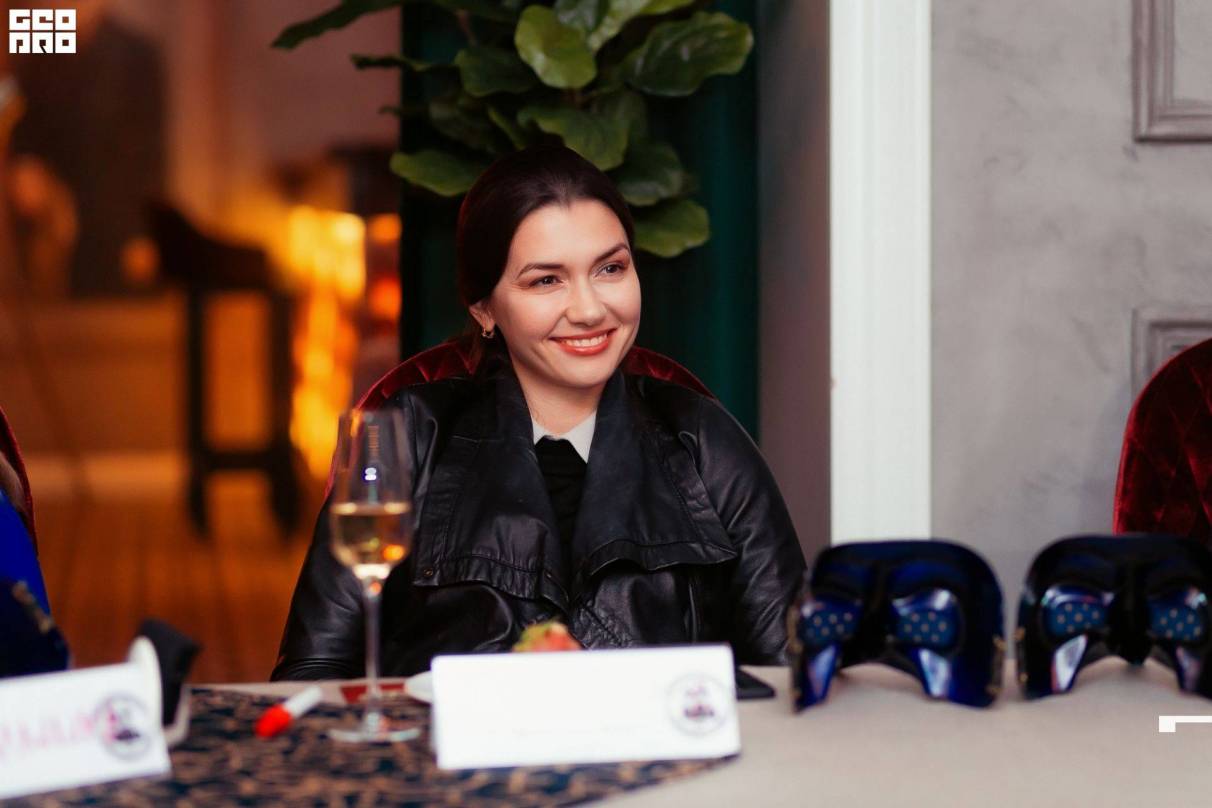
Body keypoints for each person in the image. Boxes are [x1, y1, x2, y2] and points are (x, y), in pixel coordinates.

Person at [272, 146, 807, 680]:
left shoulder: (702, 439)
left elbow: (789, 675)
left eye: (611, 268)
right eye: (546, 280)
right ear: (484, 307)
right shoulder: (413, 434)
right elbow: (313, 672)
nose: (590, 309)